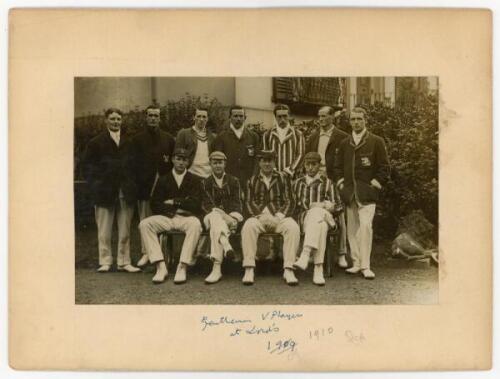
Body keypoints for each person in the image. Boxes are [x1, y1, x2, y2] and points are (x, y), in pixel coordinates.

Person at [334, 107, 390, 279]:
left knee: (365, 227)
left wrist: (376, 183)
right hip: (350, 193)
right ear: (349, 121)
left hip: (367, 194)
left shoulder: (376, 141)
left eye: (359, 119)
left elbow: (384, 167)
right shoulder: (345, 143)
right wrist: (341, 183)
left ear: (366, 120)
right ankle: (356, 263)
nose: (356, 122)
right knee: (352, 230)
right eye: (353, 119)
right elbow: (337, 167)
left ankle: (366, 266)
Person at [82, 108, 140, 273]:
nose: (116, 122)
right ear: (106, 120)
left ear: (122, 121)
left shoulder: (130, 141)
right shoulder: (96, 142)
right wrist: (97, 185)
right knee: (104, 229)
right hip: (105, 191)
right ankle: (105, 261)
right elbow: (87, 167)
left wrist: (132, 183)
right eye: (112, 119)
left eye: (118, 119)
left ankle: (124, 261)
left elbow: (136, 165)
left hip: (125, 191)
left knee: (125, 229)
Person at [138, 148, 202, 284]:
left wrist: (174, 201)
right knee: (145, 224)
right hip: (168, 217)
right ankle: (160, 266)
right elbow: (155, 203)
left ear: (188, 162)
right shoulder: (164, 179)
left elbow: (196, 204)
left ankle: (182, 266)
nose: (180, 162)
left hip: (186, 218)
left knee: (196, 224)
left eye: (184, 160)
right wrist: (176, 209)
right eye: (178, 159)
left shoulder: (194, 179)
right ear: (173, 160)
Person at [241, 150, 300, 286]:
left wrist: (278, 216)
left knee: (293, 227)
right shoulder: (252, 180)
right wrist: (260, 216)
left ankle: (289, 268)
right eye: (264, 160)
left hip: (278, 217)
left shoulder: (283, 178)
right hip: (259, 218)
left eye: (270, 160)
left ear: (275, 162)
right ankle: (249, 268)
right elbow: (249, 202)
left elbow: (290, 201)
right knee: (248, 226)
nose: (267, 163)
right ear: (259, 162)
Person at [131, 104, 175, 268]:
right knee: (144, 220)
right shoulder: (137, 139)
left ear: (160, 118)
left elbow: (172, 164)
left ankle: (160, 253)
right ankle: (146, 253)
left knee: (161, 219)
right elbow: (133, 164)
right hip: (144, 186)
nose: (153, 118)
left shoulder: (168, 139)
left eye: (156, 116)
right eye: (150, 115)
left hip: (162, 188)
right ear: (146, 117)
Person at [306, 105, 350, 269]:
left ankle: (342, 253)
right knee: (314, 211)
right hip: (316, 177)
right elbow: (308, 158)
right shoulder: (313, 136)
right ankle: (311, 252)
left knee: (339, 212)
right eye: (319, 116)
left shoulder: (342, 136)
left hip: (334, 177)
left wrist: (340, 180)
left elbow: (346, 161)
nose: (321, 119)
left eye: (324, 116)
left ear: (333, 117)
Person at [292, 152, 343, 285]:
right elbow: (292, 205)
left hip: (327, 218)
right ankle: (318, 269)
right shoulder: (297, 183)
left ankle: (305, 254)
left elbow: (339, 206)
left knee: (317, 212)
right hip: (305, 220)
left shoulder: (327, 183)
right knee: (320, 224)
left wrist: (325, 205)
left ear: (319, 166)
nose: (310, 167)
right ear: (304, 165)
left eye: (313, 164)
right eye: (307, 164)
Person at [201, 151, 244, 284]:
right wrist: (224, 216)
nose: (218, 165)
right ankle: (226, 245)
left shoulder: (233, 181)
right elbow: (207, 205)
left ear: (225, 164)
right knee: (214, 217)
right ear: (210, 164)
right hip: (211, 216)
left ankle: (216, 268)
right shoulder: (205, 183)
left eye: (220, 162)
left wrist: (230, 217)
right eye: (215, 163)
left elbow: (237, 202)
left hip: (232, 217)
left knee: (216, 225)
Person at [212, 105, 260, 187]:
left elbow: (257, 159)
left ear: (245, 118)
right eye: (235, 116)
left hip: (248, 181)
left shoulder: (253, 136)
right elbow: (218, 161)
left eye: (241, 116)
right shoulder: (221, 137)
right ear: (230, 117)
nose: (238, 119)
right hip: (228, 182)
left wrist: (254, 176)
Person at [262, 104, 305, 178]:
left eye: (285, 116)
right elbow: (266, 155)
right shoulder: (268, 134)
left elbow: (301, 154)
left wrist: (290, 169)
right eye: (279, 117)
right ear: (275, 117)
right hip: (273, 175)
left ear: (289, 116)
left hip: (292, 176)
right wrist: (273, 169)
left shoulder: (298, 134)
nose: (282, 119)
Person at [175, 107, 216, 179]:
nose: (201, 119)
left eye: (204, 117)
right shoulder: (184, 134)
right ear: (194, 117)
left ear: (207, 119)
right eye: (198, 116)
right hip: (190, 174)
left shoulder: (212, 136)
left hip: (209, 176)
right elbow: (177, 156)